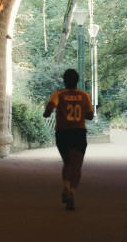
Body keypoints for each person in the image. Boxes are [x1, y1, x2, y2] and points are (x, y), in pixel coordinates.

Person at [43, 68, 94, 211]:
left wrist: (48, 113)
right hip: (78, 132)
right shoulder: (84, 96)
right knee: (76, 166)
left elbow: (48, 111)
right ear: (77, 81)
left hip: (62, 133)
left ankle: (65, 187)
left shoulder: (58, 95)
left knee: (67, 162)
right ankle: (71, 192)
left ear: (64, 81)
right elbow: (90, 116)